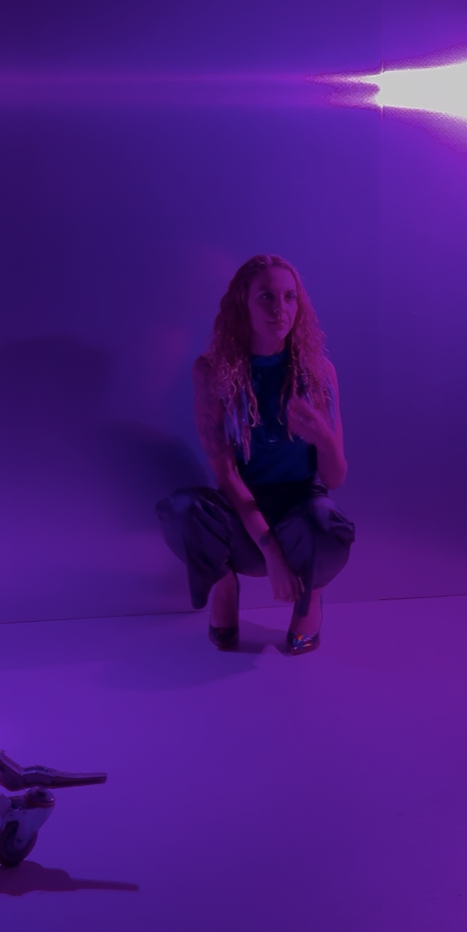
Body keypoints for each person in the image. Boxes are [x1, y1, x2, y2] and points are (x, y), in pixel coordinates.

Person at [157, 254, 353, 655]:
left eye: (289, 297)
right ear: (242, 303)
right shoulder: (212, 371)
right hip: (241, 512)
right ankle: (224, 586)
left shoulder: (319, 371)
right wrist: (271, 552)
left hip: (300, 511)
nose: (280, 308)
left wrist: (325, 439)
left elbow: (334, 479)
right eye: (266, 296)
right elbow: (225, 475)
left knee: (328, 524)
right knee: (181, 509)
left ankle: (310, 599)